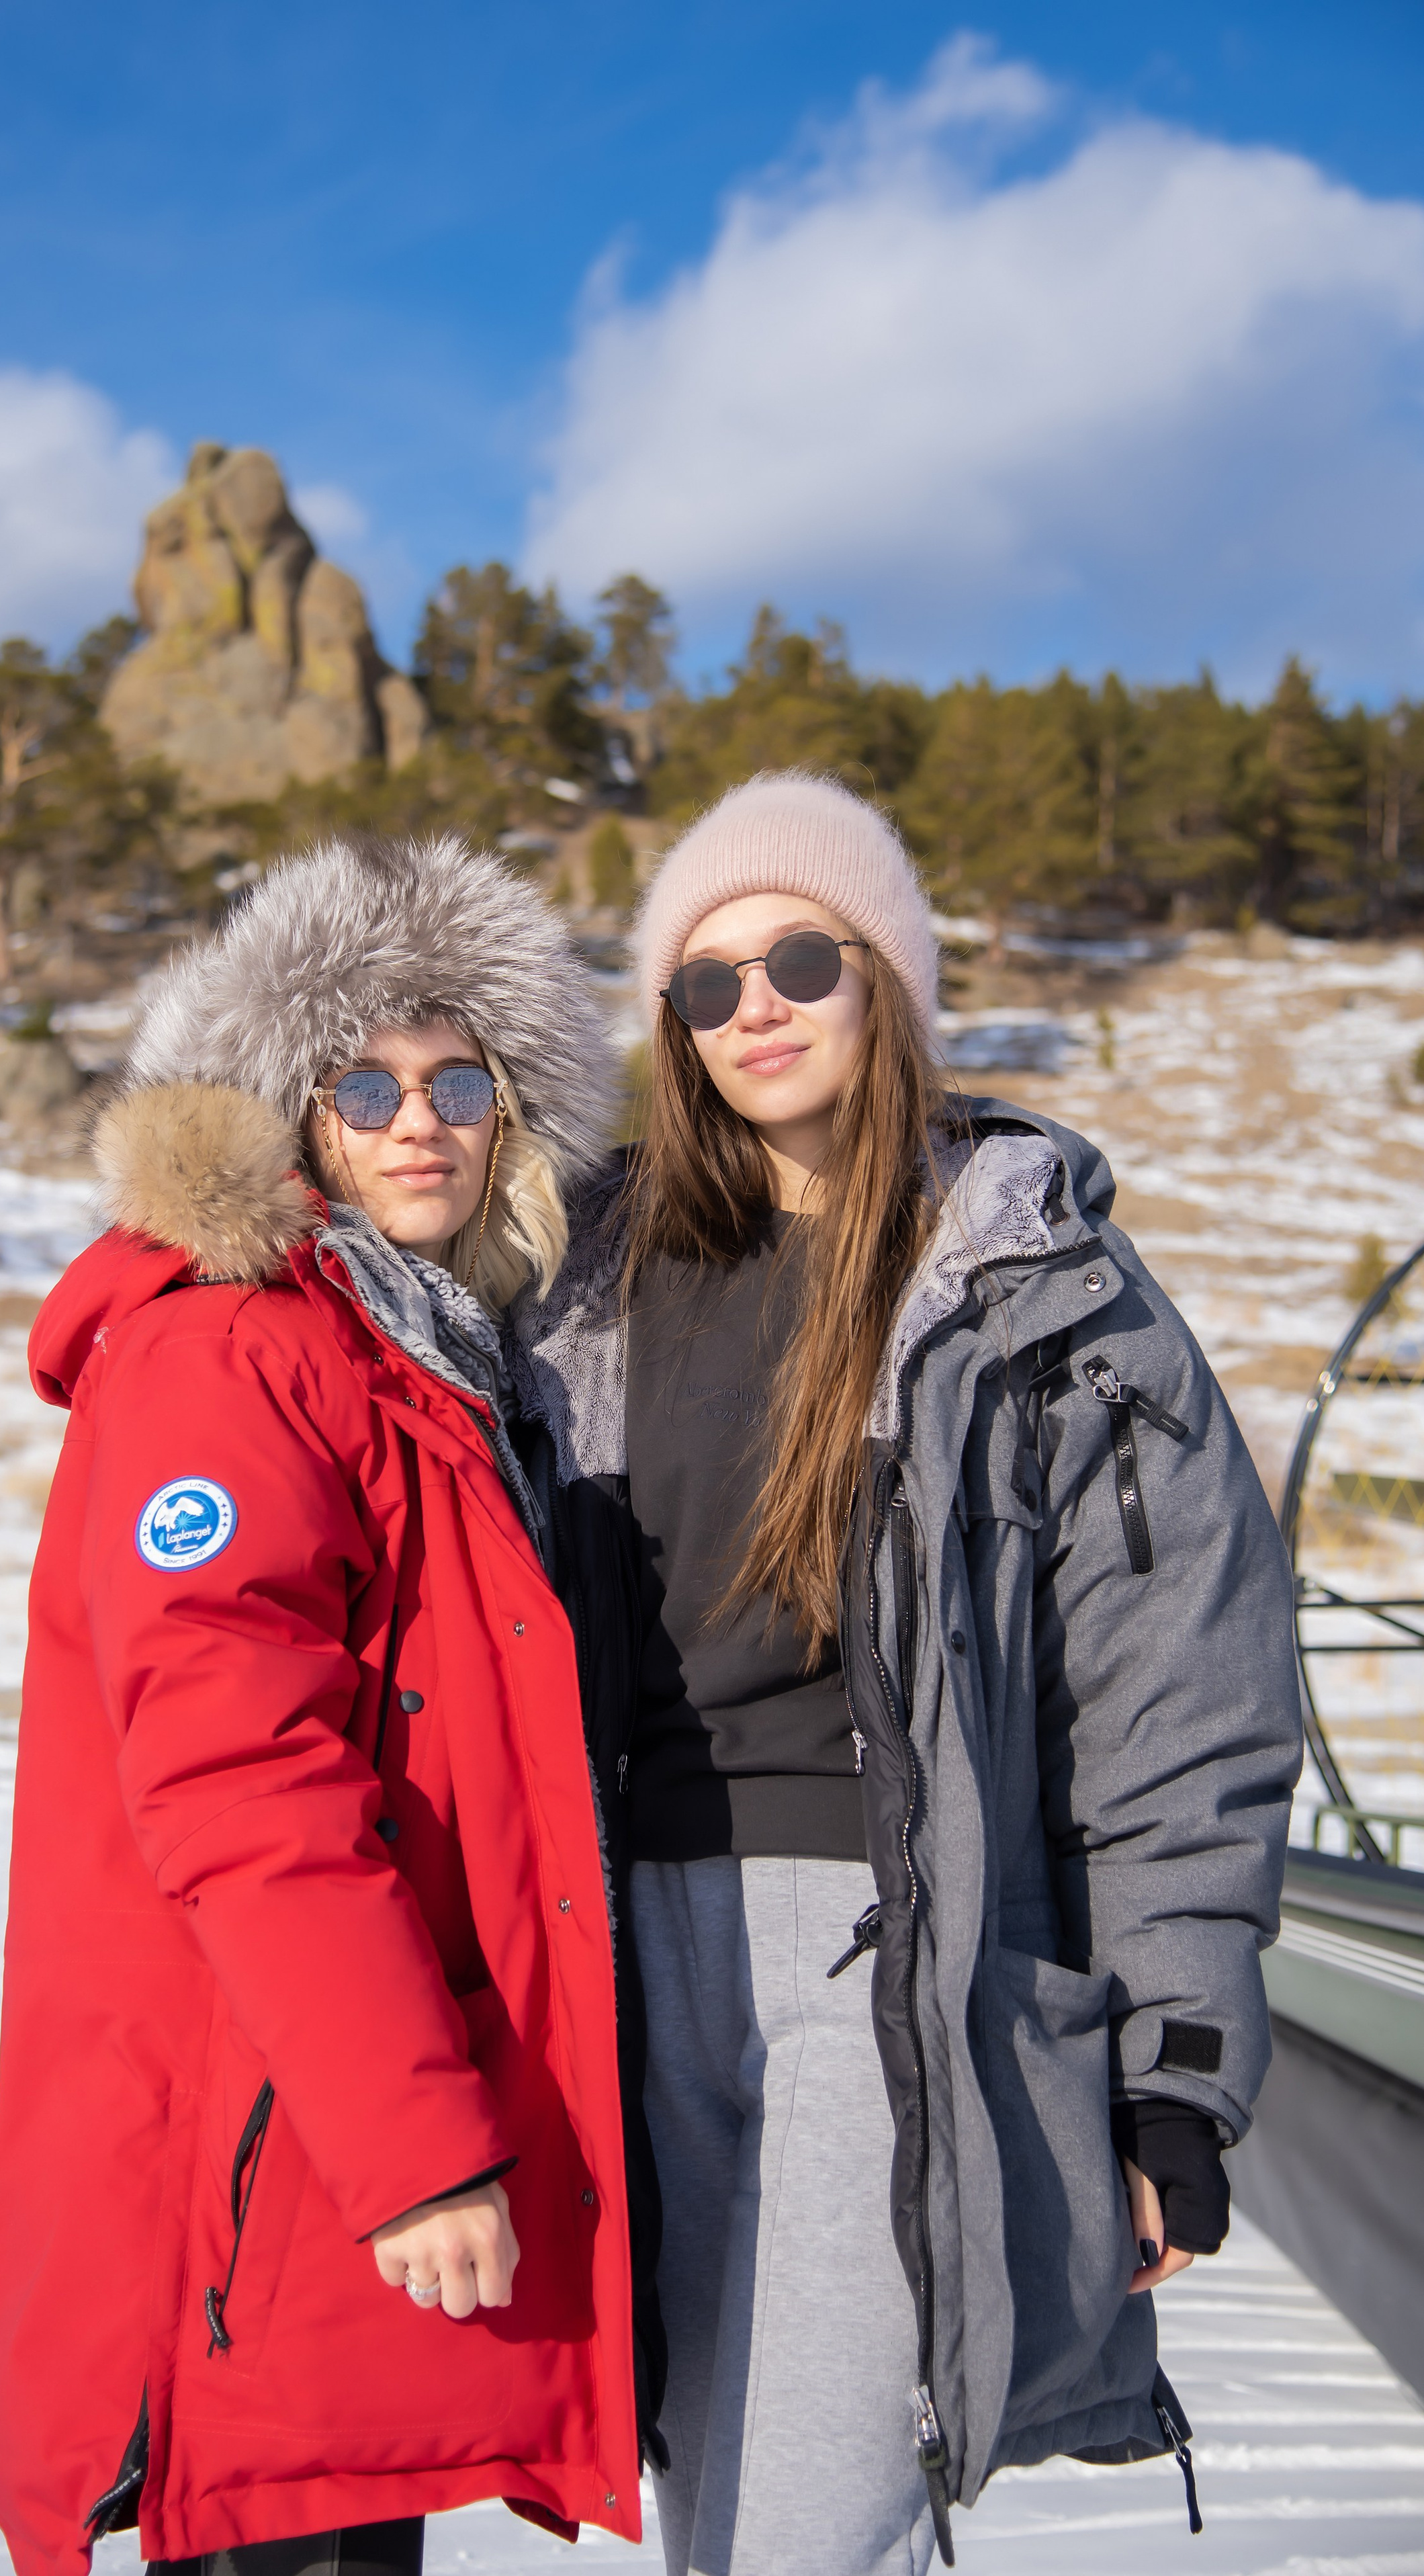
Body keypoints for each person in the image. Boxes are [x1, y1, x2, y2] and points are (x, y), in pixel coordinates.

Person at [507, 769, 1304, 2575]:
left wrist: (1173, 2066)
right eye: (706, 985)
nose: (756, 1008)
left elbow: (1182, 1692)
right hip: (627, 1970)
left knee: (813, 2532)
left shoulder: (1029, 1284)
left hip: (895, 1972)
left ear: (890, 979)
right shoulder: (584, 1279)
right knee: (708, 2519)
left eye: (800, 955)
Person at [0, 835, 652, 2576]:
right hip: (278, 2176)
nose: (416, 1117)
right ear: (296, 1115)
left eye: (457, 1079)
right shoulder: (235, 1352)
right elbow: (236, 1780)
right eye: (363, 1081)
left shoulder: (407, 1358)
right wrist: (418, 2147)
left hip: (310, 2175)